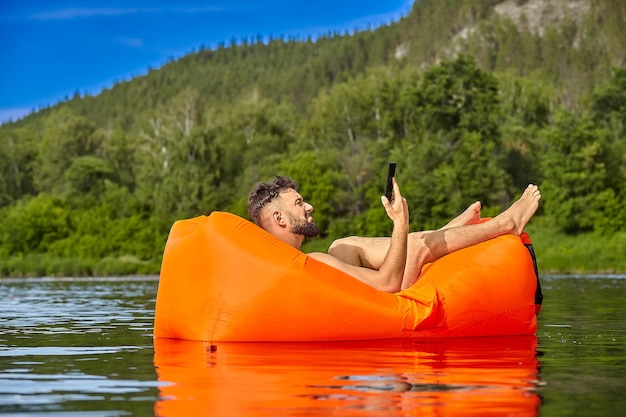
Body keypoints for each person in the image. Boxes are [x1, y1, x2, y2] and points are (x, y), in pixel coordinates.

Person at [247, 175, 541, 293]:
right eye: (299, 203)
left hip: (357, 292)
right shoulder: (309, 264)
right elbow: (386, 284)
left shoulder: (288, 260)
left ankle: (445, 233)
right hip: (385, 301)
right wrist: (401, 225)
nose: (309, 206)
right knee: (414, 245)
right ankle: (507, 223)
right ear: (279, 219)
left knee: (343, 244)